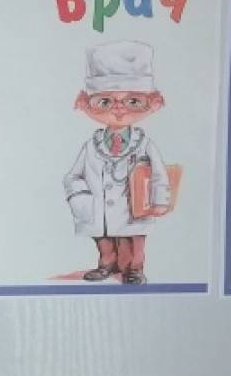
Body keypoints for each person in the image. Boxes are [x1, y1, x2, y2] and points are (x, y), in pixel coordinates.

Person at [63, 41, 170, 285]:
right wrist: (80, 199)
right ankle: (106, 264)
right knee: (103, 237)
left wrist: (160, 200)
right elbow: (73, 175)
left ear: (153, 103)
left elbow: (159, 173)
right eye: (105, 102)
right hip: (98, 207)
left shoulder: (144, 144)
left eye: (133, 101)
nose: (119, 110)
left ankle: (135, 269)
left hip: (135, 206)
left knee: (135, 238)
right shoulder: (92, 145)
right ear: (85, 104)